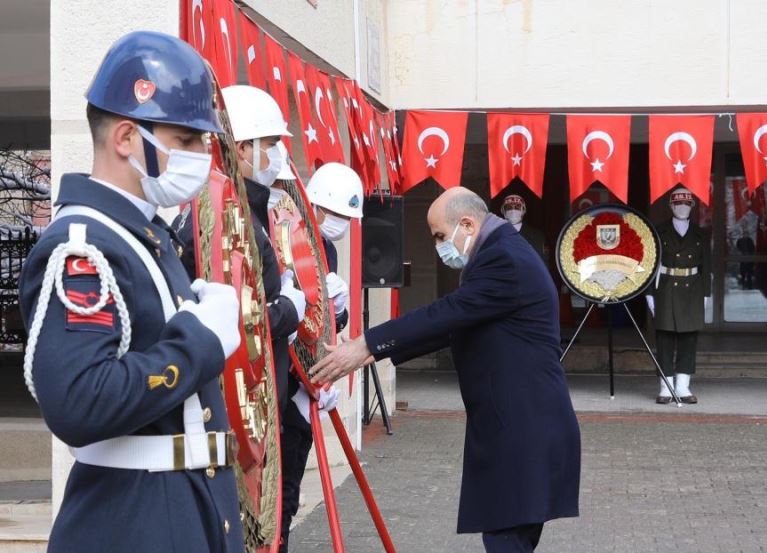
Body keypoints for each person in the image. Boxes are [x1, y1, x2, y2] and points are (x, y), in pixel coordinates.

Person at [18, 31, 245, 552]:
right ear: (125, 137)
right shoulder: (84, 246)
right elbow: (79, 401)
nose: (201, 155)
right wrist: (201, 340)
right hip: (134, 521)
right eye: (186, 140)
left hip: (173, 510)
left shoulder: (140, 236)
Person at [309, 187, 580, 552]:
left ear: (467, 224)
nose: (438, 246)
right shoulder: (499, 252)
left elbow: (449, 312)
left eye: (439, 236)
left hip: (524, 430)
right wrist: (372, 352)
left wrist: (366, 345)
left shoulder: (504, 259)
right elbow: (455, 325)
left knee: (506, 539)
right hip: (519, 428)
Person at [173, 84, 306, 418]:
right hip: (234, 404)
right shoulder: (224, 217)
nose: (277, 156)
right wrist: (288, 311)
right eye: (271, 145)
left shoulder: (239, 210)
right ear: (243, 148)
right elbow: (233, 317)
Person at [280, 161, 363, 552]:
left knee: (290, 493)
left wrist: (339, 311)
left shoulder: (326, 247)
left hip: (307, 384)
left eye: (347, 218)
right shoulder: (286, 236)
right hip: (282, 384)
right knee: (277, 499)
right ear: (314, 205)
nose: (340, 224)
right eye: (335, 214)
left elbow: (324, 321)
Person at [646, 187, 711, 404]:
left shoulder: (700, 233)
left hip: (692, 289)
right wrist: (649, 295)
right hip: (665, 288)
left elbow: (706, 267)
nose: (682, 207)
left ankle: (683, 387)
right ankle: (665, 387)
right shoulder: (658, 231)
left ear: (692, 207)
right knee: (664, 340)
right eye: (678, 204)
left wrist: (706, 295)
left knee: (688, 340)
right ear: (671, 206)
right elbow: (649, 265)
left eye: (686, 204)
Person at [500, 193, 547, 260]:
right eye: (509, 207)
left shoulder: (537, 237)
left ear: (523, 211)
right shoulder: (494, 236)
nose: (513, 210)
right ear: (503, 211)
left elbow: (543, 263)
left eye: (517, 207)